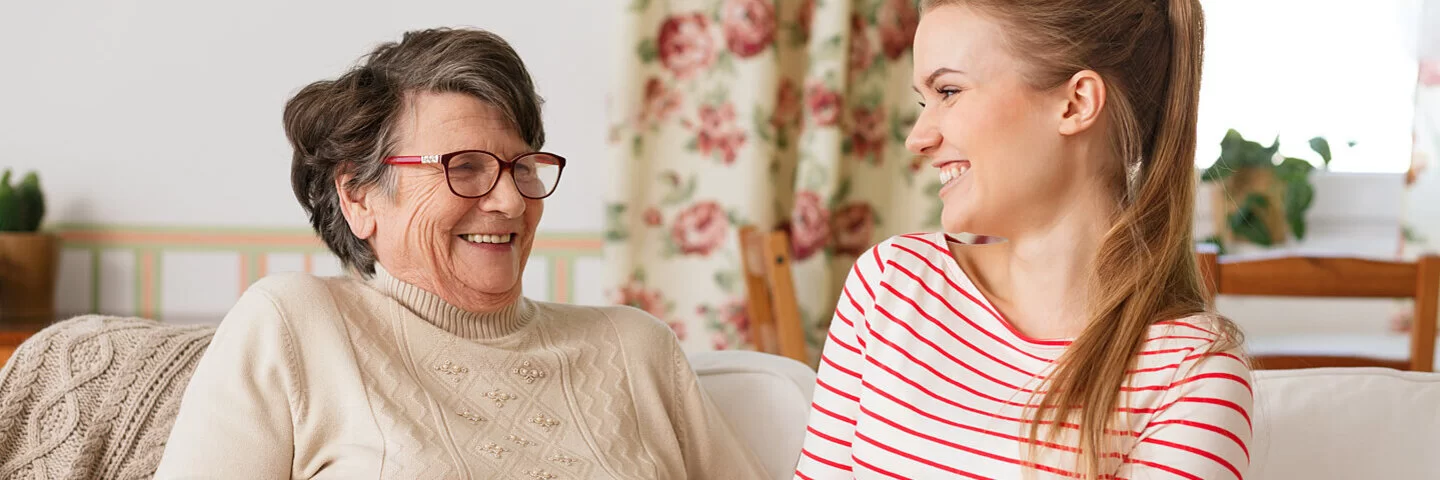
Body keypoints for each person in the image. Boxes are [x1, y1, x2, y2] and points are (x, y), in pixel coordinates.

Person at [155, 27, 767, 479]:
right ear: (359, 195)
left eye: (521, 166)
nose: (508, 200)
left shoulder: (637, 347)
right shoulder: (294, 324)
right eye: (464, 168)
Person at [795, 1, 1252, 479]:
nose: (919, 137)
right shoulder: (890, 284)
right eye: (922, 101)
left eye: (949, 91)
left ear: (1076, 103)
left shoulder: (1192, 376)